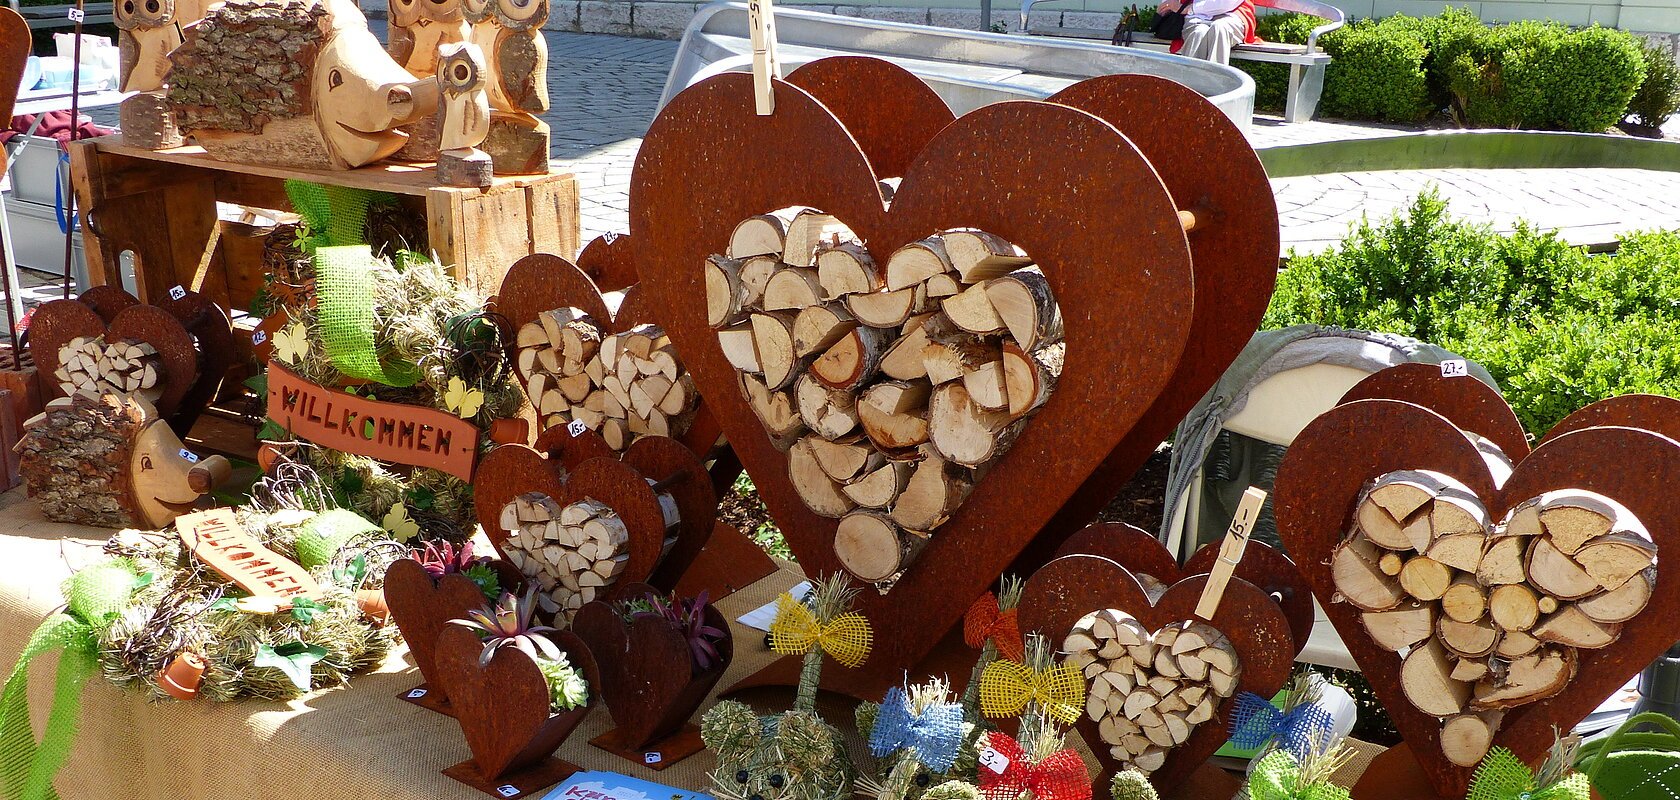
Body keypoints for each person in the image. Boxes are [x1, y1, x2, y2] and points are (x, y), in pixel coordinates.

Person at [1158, 0, 1258, 65]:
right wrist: (1168, 5)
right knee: (1198, 33)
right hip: (1196, 17)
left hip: (1233, 14)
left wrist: (1191, 9)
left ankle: (1215, 88)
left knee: (1220, 28)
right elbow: (1168, 4)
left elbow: (1227, 3)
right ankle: (1190, 91)